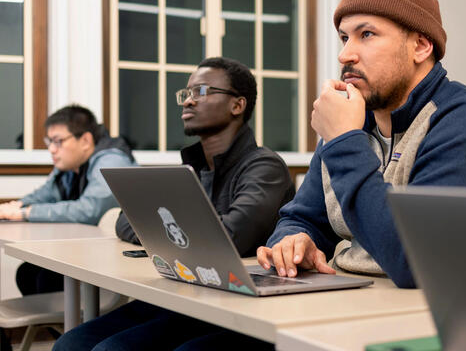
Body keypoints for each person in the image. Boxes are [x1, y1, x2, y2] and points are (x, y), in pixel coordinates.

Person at [256, 0, 466, 292]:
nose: (345, 55)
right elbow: (301, 218)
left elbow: (415, 261)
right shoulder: (349, 123)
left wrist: (343, 140)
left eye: (367, 34)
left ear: (421, 46)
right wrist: (295, 241)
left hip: (444, 318)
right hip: (354, 298)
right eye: (344, 38)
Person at [53, 57, 295, 351]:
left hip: (237, 304)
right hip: (185, 291)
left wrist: (174, 229)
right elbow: (125, 220)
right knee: (70, 344)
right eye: (187, 93)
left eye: (201, 92)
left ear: (237, 105)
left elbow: (229, 238)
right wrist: (183, 229)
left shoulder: (264, 166)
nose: (189, 102)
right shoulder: (190, 169)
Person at [0, 105, 136, 295]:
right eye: (49, 142)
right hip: (87, 251)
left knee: (44, 279)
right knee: (27, 273)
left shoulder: (111, 160)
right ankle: (50, 325)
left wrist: (25, 213)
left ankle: (62, 325)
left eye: (58, 141)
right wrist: (16, 205)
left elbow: (90, 210)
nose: (51, 149)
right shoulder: (72, 165)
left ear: (85, 140)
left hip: (115, 262)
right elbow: (45, 193)